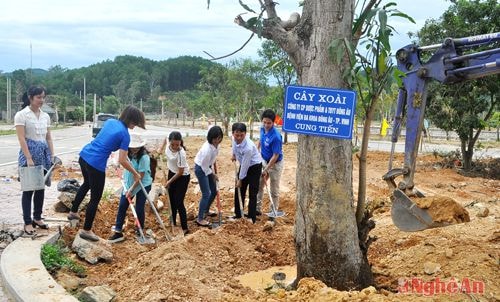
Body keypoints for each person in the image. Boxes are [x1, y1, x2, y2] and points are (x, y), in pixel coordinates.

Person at [68, 105, 145, 242]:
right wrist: (135, 173)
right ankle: (86, 230)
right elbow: (122, 160)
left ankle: (73, 212)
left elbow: (108, 143)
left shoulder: (110, 122)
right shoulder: (125, 135)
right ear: (131, 120)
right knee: (95, 198)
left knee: (86, 184)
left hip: (85, 155)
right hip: (96, 163)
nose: (135, 125)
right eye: (135, 122)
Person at [14, 85, 54, 236]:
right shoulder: (22, 115)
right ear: (30, 98)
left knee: (40, 188)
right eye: (38, 97)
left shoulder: (45, 116)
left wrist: (51, 155)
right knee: (28, 189)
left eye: (43, 97)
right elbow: (21, 138)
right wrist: (29, 158)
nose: (41, 100)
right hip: (28, 155)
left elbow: (48, 137)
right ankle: (27, 222)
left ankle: (37, 217)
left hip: (43, 155)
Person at [108, 133, 152, 243]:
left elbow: (140, 176)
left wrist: (131, 190)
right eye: (133, 147)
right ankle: (118, 232)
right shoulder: (127, 153)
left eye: (137, 147)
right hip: (129, 183)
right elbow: (119, 160)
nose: (135, 149)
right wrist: (116, 164)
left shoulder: (144, 157)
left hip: (142, 184)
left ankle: (140, 230)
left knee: (139, 207)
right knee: (122, 205)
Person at [230, 123, 262, 223]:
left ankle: (251, 218)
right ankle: (238, 215)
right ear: (233, 133)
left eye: (241, 135)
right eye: (236, 135)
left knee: (252, 192)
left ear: (245, 134)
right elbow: (234, 146)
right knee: (239, 189)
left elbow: (245, 165)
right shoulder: (233, 139)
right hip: (244, 165)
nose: (239, 137)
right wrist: (234, 154)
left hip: (254, 167)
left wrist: (240, 179)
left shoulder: (248, 147)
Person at [194, 126, 223, 227]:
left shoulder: (217, 146)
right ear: (210, 137)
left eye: (219, 138)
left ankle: (206, 210)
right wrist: (213, 174)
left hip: (208, 167)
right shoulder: (207, 149)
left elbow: (212, 161)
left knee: (214, 191)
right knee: (206, 193)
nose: (217, 141)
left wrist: (212, 169)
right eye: (215, 138)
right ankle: (200, 218)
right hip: (201, 169)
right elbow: (204, 166)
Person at [256, 109, 284, 216]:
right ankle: (257, 209)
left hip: (275, 164)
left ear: (273, 123)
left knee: (274, 189)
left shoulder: (276, 136)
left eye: (269, 123)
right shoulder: (262, 129)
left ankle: (273, 212)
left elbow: (275, 155)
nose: (266, 125)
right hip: (264, 160)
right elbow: (260, 140)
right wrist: (256, 150)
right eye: (264, 122)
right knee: (260, 185)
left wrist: (267, 169)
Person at [163, 131, 191, 235]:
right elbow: (165, 138)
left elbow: (180, 172)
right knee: (171, 200)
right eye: (172, 144)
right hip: (172, 172)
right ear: (170, 141)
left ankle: (185, 227)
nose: (175, 146)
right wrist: (160, 149)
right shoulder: (168, 141)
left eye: (177, 145)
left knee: (178, 201)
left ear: (181, 143)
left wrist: (169, 182)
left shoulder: (181, 154)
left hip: (182, 176)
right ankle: (173, 223)